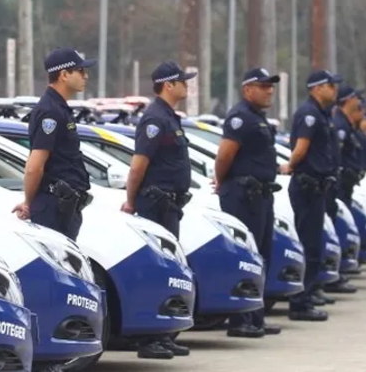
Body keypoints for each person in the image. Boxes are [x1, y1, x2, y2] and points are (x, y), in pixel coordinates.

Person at [123, 61, 196, 359]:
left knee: (169, 270)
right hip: (156, 204)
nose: (187, 85)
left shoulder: (168, 117)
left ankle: (163, 334)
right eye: (182, 81)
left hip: (169, 205)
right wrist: (130, 200)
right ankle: (150, 338)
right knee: (157, 270)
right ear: (168, 84)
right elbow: (138, 166)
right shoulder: (154, 119)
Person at [213, 68, 284, 338]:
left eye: (271, 87)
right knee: (245, 257)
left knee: (261, 257)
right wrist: (222, 182)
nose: (269, 91)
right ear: (247, 90)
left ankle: (255, 317)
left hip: (261, 196)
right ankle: (240, 320)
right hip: (243, 195)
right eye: (263, 86)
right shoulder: (240, 117)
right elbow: (224, 156)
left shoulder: (257, 117)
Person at [12, 48, 96, 241]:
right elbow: (34, 167)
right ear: (64, 75)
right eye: (80, 71)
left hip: (64, 207)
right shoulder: (50, 111)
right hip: (54, 207)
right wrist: (29, 203)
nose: (86, 76)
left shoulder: (59, 108)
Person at [281, 69, 342, 321]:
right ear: (316, 88)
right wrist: (291, 166)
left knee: (314, 245)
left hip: (316, 186)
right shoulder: (309, 114)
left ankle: (308, 294)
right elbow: (301, 149)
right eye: (330, 85)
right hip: (307, 186)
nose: (334, 89)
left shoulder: (320, 113)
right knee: (308, 245)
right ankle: (300, 302)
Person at [324, 84, 365, 295]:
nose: (359, 102)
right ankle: (331, 276)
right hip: (337, 185)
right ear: (347, 100)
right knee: (332, 229)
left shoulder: (345, 124)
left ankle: (334, 273)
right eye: (356, 98)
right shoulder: (339, 124)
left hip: (344, 185)